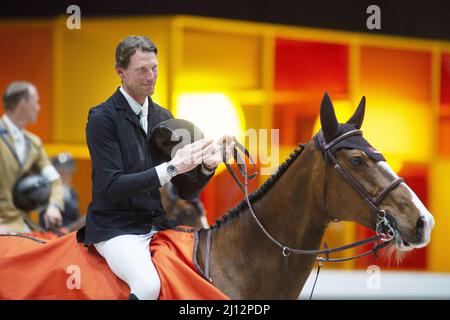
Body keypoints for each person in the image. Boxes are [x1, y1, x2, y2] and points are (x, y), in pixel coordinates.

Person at [76, 36, 235, 300]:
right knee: (148, 285)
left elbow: (185, 192)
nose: (151, 76)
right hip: (115, 227)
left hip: (157, 223)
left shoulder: (165, 117)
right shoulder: (102, 118)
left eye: (154, 68)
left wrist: (206, 167)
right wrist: (171, 167)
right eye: (142, 70)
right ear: (120, 72)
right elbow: (113, 187)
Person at [0, 81, 64, 234]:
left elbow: (54, 179)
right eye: (36, 101)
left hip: (25, 226)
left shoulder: (34, 143)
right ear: (22, 103)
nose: (39, 107)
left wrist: (54, 205)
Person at [39, 152, 80, 230]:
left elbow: (74, 217)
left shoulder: (72, 193)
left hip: (71, 237)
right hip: (50, 237)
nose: (66, 175)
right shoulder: (47, 192)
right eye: (61, 171)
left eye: (68, 171)